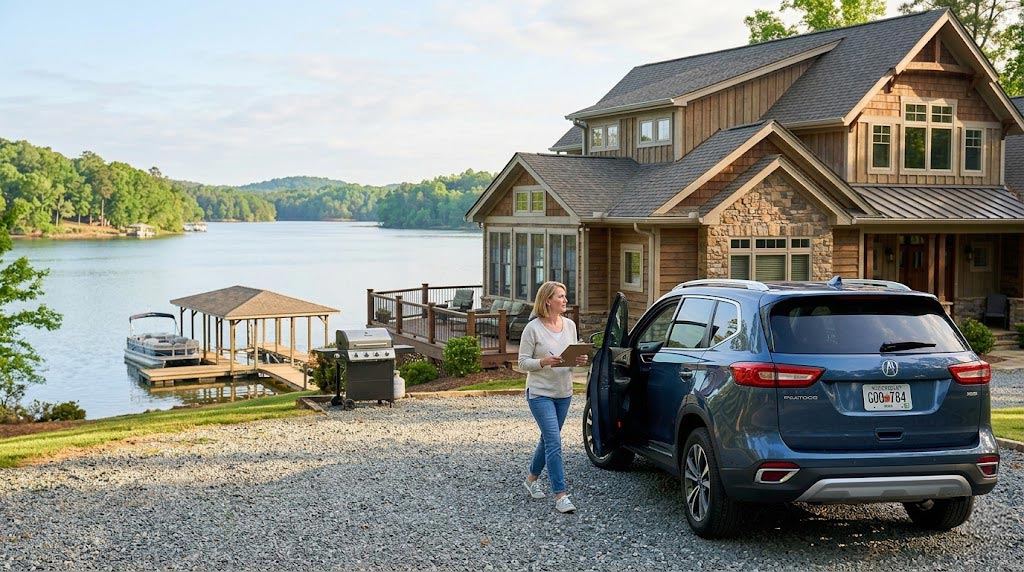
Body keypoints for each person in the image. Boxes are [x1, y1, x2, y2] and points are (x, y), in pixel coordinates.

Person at [518, 281, 587, 513]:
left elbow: (573, 354)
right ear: (548, 300)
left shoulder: (569, 325)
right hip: (540, 394)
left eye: (565, 296)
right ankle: (561, 496)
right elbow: (522, 362)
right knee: (555, 442)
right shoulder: (533, 329)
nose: (565, 300)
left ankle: (530, 480)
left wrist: (580, 360)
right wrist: (543, 362)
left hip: (564, 393)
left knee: (547, 440)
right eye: (560, 296)